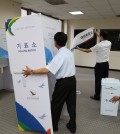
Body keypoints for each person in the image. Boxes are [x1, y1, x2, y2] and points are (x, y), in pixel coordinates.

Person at [23, 32, 76, 133]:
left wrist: (31, 71)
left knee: (56, 104)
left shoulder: (60, 55)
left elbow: (46, 70)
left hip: (63, 83)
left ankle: (53, 126)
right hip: (72, 80)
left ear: (55, 42)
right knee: (71, 104)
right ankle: (72, 126)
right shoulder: (69, 52)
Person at [76, 30, 111, 101]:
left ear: (101, 36)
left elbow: (88, 51)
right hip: (106, 65)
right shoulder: (109, 43)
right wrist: (96, 33)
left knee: (98, 81)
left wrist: (78, 48)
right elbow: (102, 38)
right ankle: (105, 95)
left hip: (99, 65)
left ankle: (97, 96)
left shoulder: (99, 45)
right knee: (105, 81)